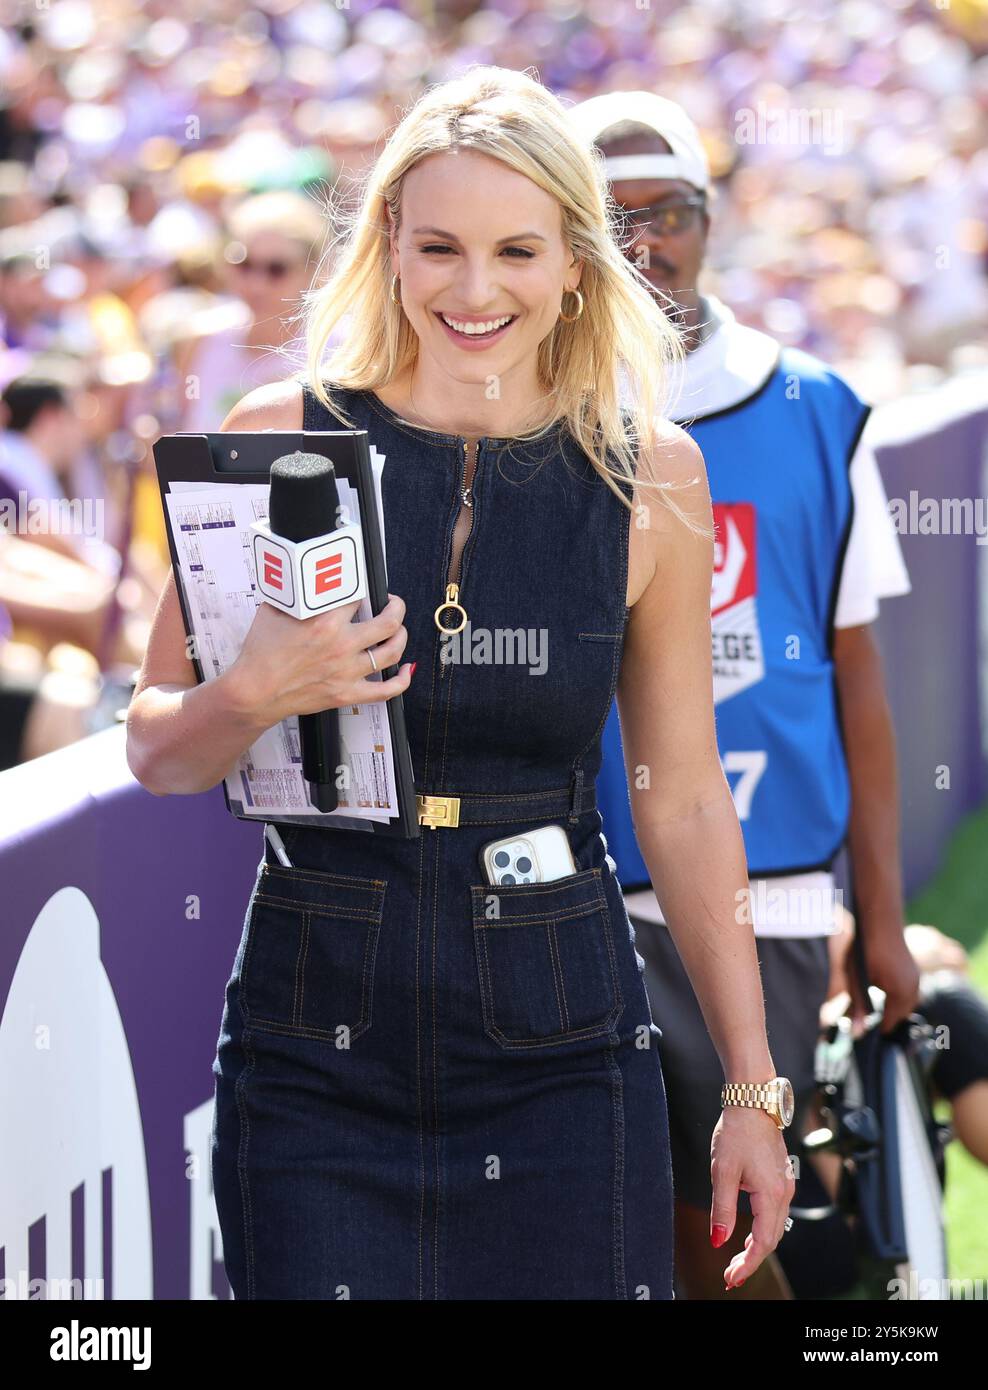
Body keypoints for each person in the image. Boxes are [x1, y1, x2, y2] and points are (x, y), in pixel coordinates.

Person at [126, 65, 795, 1301]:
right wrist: (254, 688)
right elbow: (157, 751)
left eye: (517, 250)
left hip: (561, 1034)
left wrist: (750, 1088)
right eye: (438, 246)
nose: (475, 290)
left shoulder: (656, 477)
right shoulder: (277, 436)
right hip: (315, 1031)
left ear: (578, 263)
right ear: (388, 243)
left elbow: (687, 800)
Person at [571, 90, 918, 1300]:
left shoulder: (813, 405)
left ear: (709, 221)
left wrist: (879, 911)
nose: (641, 244)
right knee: (645, 1220)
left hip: (759, 886)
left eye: (664, 214)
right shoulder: (533, 409)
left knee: (715, 1224)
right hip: (574, 879)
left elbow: (856, 683)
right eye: (607, 221)